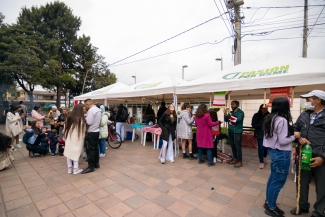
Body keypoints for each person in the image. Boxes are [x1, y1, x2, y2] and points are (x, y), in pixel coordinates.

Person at [263, 97, 300, 217]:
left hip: (273, 152)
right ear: (285, 107)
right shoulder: (282, 120)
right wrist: (295, 136)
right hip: (281, 153)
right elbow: (283, 141)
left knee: (273, 178)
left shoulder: (269, 118)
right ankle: (271, 207)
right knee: (278, 181)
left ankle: (269, 202)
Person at [291, 90, 325, 217]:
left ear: (318, 100)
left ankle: (319, 212)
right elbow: (295, 128)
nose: (306, 101)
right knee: (301, 181)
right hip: (304, 154)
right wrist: (298, 137)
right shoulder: (304, 114)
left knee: (321, 185)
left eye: (308, 99)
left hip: (320, 156)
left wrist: (323, 157)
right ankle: (302, 206)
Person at [63, 104, 87, 175]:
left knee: (69, 152)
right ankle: (75, 168)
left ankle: (70, 168)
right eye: (83, 109)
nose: (84, 110)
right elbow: (83, 130)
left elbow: (65, 127)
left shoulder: (69, 117)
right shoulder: (81, 119)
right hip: (77, 138)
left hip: (69, 137)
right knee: (76, 152)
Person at [82, 99, 101, 174]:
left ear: (87, 104)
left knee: (90, 149)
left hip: (91, 131)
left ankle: (91, 166)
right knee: (96, 148)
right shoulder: (98, 109)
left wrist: (84, 119)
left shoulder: (91, 110)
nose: (85, 107)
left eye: (85, 105)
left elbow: (89, 122)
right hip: (96, 131)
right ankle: (96, 163)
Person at [224, 100, 245, 168]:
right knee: (233, 146)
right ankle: (235, 159)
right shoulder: (231, 112)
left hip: (237, 132)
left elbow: (236, 120)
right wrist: (225, 114)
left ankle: (240, 161)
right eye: (231, 104)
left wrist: (229, 115)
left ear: (237, 105)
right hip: (231, 131)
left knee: (238, 147)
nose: (231, 106)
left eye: (233, 104)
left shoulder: (241, 113)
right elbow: (226, 120)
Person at [252, 104, 270, 169]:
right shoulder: (256, 115)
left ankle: (264, 156)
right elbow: (253, 124)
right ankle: (261, 161)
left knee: (266, 147)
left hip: (267, 134)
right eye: (263, 108)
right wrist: (262, 125)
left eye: (266, 108)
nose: (264, 109)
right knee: (260, 148)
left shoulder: (269, 115)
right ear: (260, 108)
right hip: (259, 134)